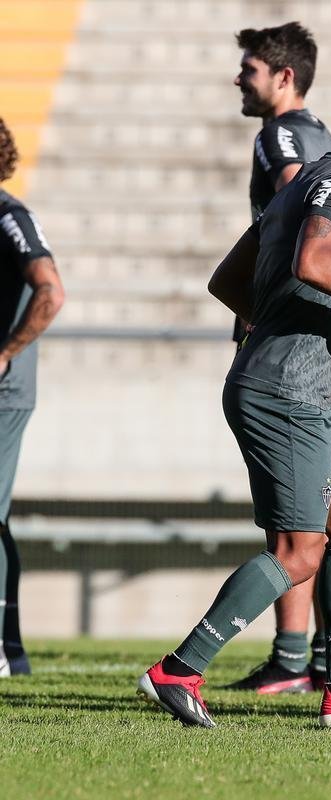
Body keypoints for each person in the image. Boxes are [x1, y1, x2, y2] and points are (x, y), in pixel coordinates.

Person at [138, 87, 331, 729]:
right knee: (299, 550)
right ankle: (180, 669)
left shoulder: (300, 185)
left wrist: (270, 327)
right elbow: (313, 260)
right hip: (285, 396)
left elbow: (226, 279)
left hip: (301, 392)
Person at [229, 22, 331, 694]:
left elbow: (311, 233)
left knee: (312, 529)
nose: (240, 80)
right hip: (297, 370)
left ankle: (300, 662)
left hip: (290, 365)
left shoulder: (285, 140)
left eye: (249, 70)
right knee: (312, 531)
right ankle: (313, 668)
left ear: (283, 76)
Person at [0, 118, 65, 676]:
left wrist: (6, 352)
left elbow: (51, 289)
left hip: (4, 391)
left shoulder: (9, 216)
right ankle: (11, 650)